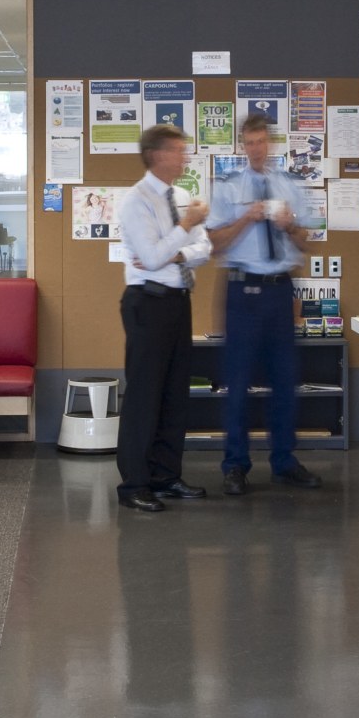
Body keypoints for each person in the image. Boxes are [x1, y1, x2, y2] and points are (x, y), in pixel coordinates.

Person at [206, 115, 322, 494]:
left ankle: (284, 461)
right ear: (242, 145)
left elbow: (308, 240)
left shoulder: (289, 184)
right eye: (250, 142)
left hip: (279, 289)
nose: (256, 149)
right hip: (242, 290)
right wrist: (247, 217)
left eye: (262, 142)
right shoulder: (226, 186)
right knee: (237, 382)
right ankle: (235, 465)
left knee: (285, 381)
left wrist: (288, 225)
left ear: (271, 143)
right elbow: (215, 243)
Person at [114, 124, 212, 515]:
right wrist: (183, 230)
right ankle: (134, 484)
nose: (184, 156)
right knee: (144, 395)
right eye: (177, 150)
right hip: (147, 304)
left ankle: (166, 476)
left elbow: (204, 249)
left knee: (175, 393)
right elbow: (151, 259)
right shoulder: (135, 201)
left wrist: (178, 250)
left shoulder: (183, 196)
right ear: (156, 154)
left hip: (177, 299)